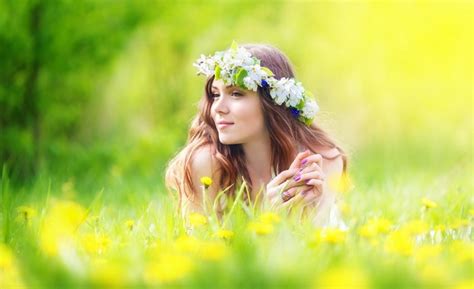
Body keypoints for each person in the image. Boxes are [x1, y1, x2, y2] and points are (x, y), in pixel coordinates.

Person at [166, 42, 348, 228]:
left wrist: (310, 211)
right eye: (215, 95)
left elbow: (321, 246)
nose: (218, 108)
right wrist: (270, 217)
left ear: (272, 102)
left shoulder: (322, 159)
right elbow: (199, 247)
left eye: (236, 94)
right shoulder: (206, 163)